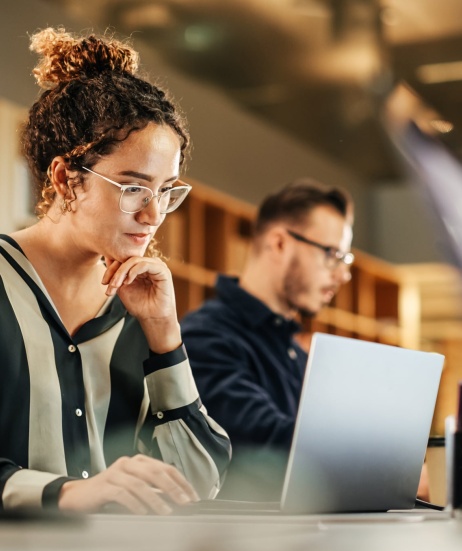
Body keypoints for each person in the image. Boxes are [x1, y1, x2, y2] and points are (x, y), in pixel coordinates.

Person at [0, 27, 231, 515]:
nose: (153, 215)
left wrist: (164, 334)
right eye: (132, 188)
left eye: (167, 191)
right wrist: (66, 494)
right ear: (66, 178)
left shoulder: (136, 309)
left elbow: (197, 483)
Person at [181, 179, 353, 499]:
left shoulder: (296, 355)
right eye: (332, 254)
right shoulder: (205, 337)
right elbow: (265, 443)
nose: (342, 275)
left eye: (345, 260)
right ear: (279, 244)